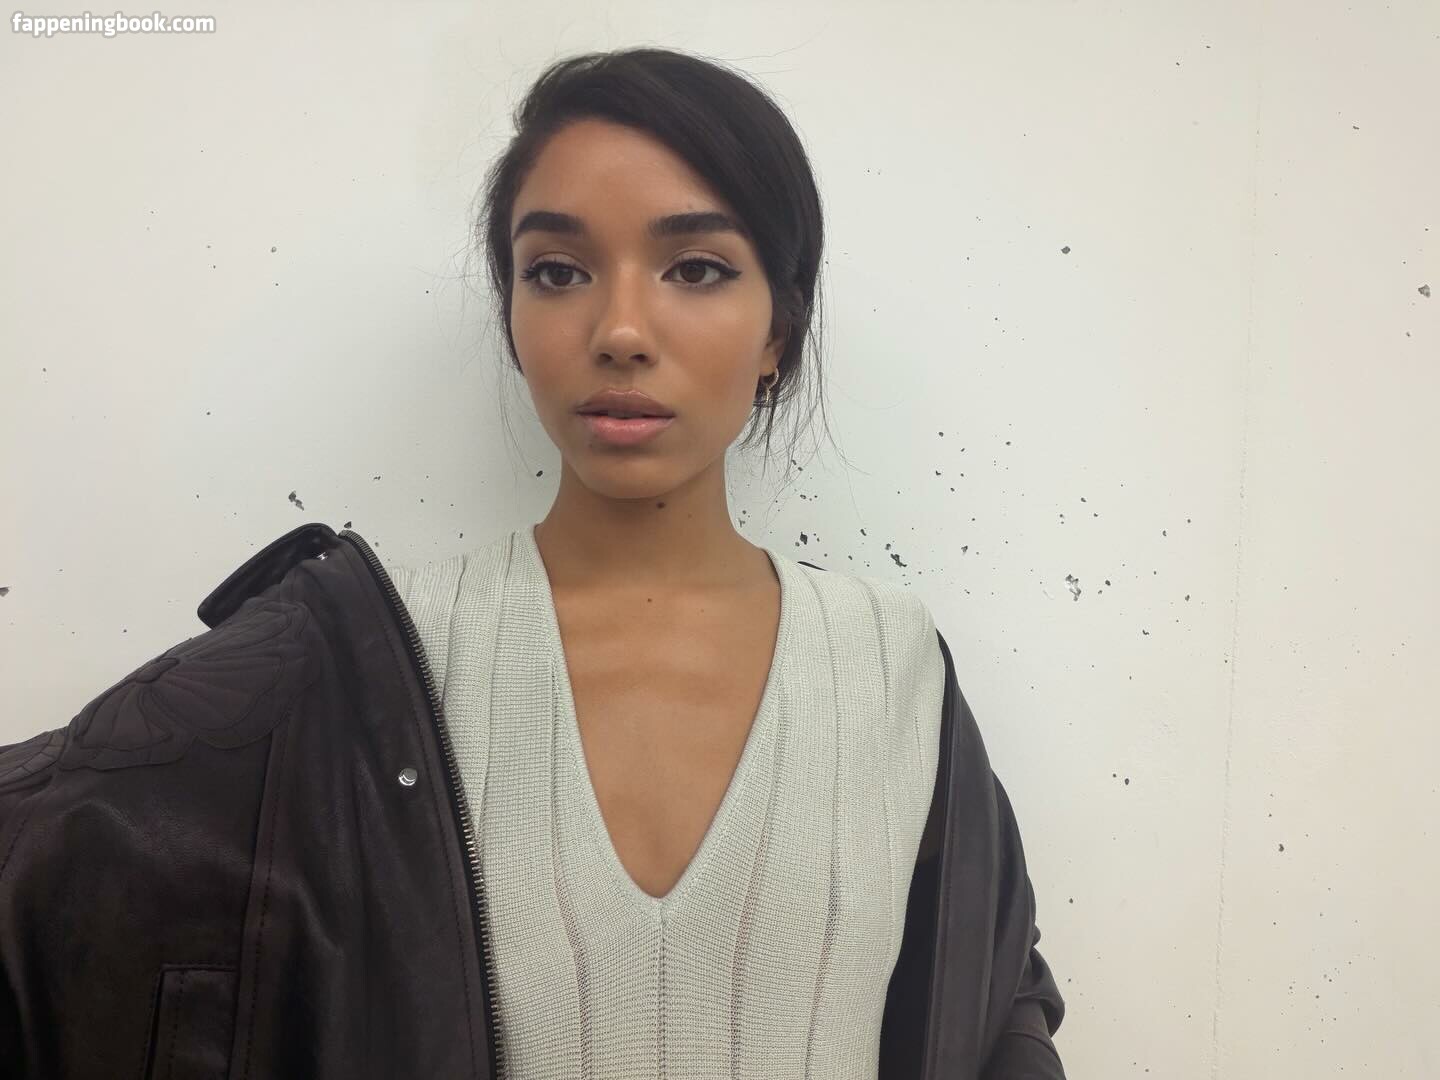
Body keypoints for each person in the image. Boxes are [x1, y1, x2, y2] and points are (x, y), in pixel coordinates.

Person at [0, 46, 1065, 1079]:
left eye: (695, 269)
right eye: (558, 272)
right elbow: (59, 867)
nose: (620, 329)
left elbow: (990, 998)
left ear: (778, 329)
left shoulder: (890, 663)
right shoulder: (375, 662)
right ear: (514, 315)